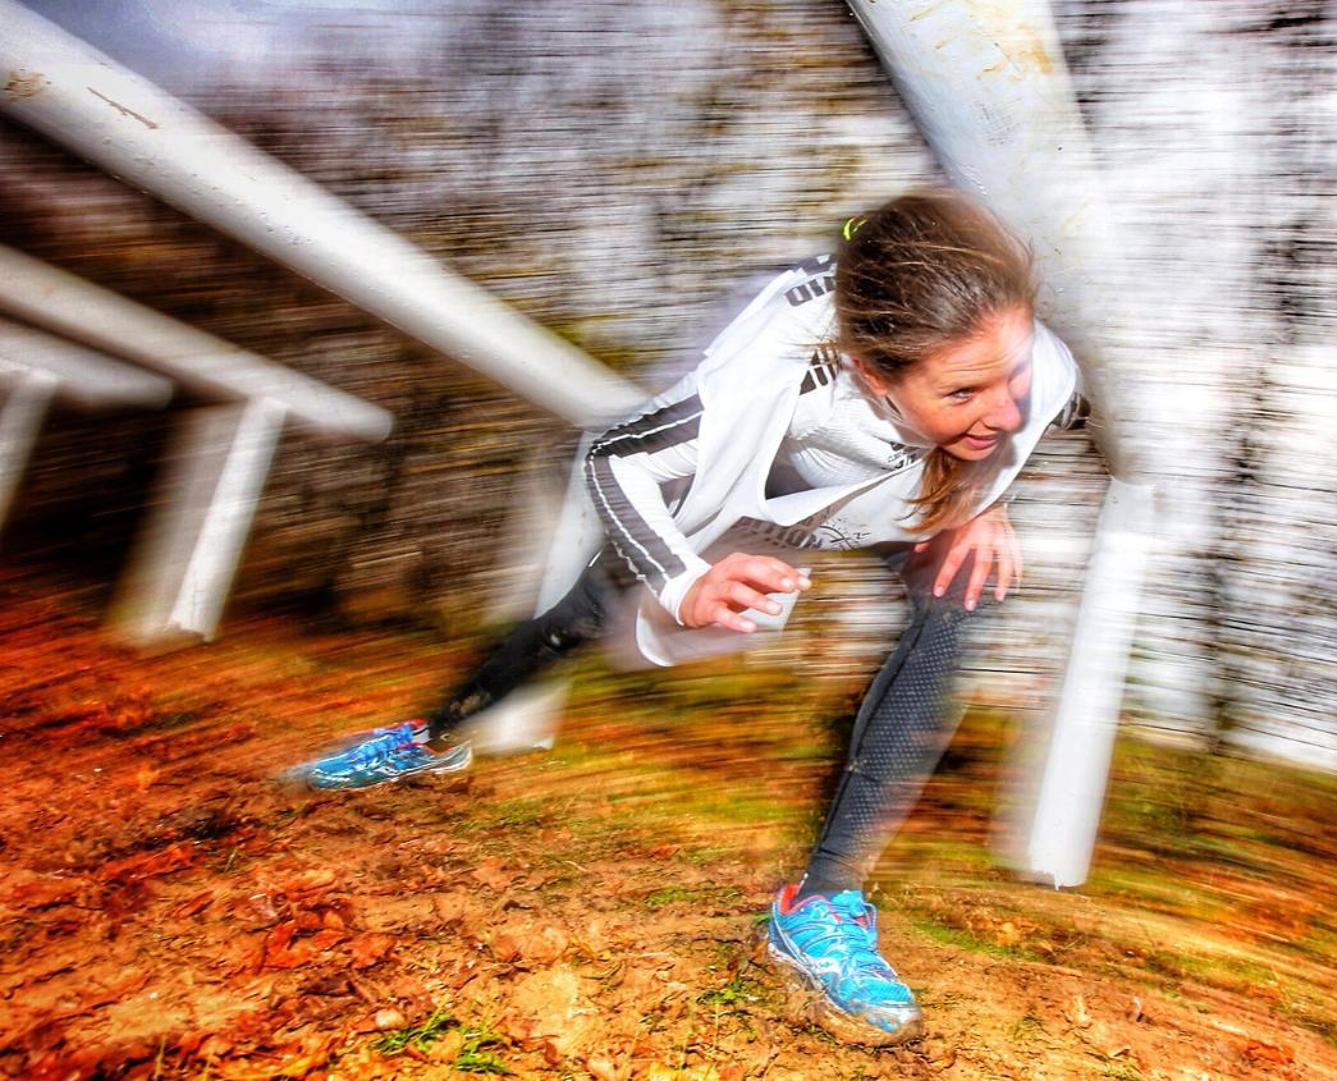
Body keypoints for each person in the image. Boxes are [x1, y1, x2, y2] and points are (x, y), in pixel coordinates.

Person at [288, 189, 1087, 1045]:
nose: (1004, 411)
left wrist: (984, 497)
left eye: (1011, 375)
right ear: (870, 369)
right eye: (965, 390)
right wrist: (683, 578)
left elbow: (1033, 416)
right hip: (753, 488)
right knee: (586, 609)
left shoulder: (1028, 371)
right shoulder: (769, 363)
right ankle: (430, 732)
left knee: (966, 587)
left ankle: (817, 900)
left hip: (887, 495)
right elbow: (614, 458)